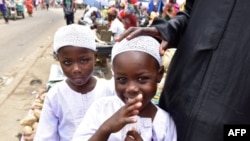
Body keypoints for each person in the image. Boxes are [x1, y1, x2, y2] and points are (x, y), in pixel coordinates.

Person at [115, 0, 250, 141]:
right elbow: (190, 12)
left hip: (234, 115)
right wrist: (169, 29)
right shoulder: (157, 119)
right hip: (179, 99)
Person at [72, 36, 177, 141]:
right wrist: (106, 129)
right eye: (122, 79)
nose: (131, 88)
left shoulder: (165, 123)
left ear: (159, 75)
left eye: (142, 79)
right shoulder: (101, 109)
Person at [34, 24, 115, 141]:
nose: (76, 69)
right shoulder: (55, 96)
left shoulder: (108, 90)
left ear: (95, 56)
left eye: (84, 60)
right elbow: (45, 137)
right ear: (59, 60)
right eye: (67, 62)